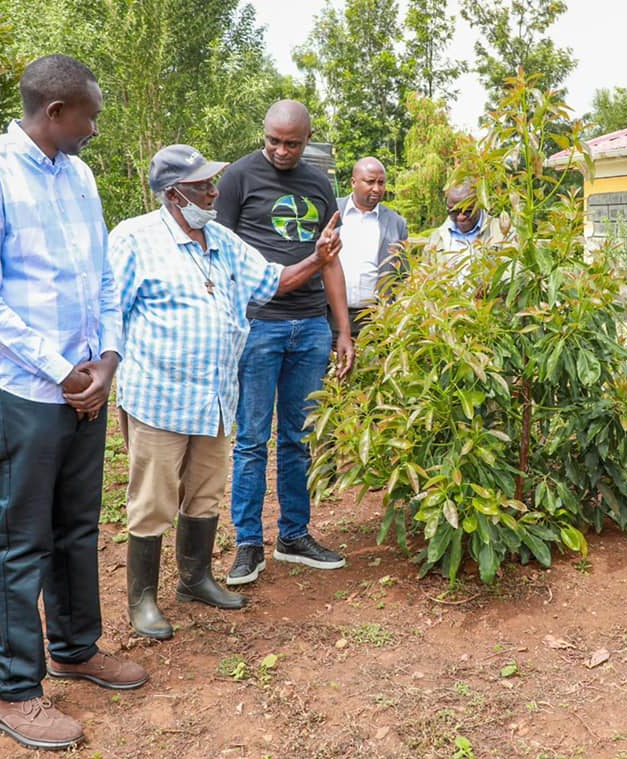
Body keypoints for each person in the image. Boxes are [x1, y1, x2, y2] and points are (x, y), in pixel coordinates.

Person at [0, 54, 147, 751]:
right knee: (24, 537)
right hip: (25, 389)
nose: (95, 128)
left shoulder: (80, 177)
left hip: (86, 384)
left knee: (78, 525)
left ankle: (75, 646)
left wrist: (105, 363)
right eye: (90, 116)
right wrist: (61, 372)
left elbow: (104, 280)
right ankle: (14, 691)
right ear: (56, 113)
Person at [109, 144, 342, 639]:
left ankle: (195, 578)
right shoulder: (134, 238)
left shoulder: (222, 240)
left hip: (214, 399)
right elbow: (109, 313)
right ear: (173, 194)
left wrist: (316, 260)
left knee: (205, 495)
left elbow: (272, 281)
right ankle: (143, 598)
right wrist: (103, 374)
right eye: (202, 186)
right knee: (152, 501)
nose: (214, 191)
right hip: (159, 398)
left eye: (212, 183)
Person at [215, 100, 355, 586]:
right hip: (257, 326)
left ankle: (294, 535)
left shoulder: (320, 185)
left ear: (307, 139)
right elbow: (218, 253)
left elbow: (330, 260)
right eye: (272, 140)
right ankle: (248, 544)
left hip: (310, 327)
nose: (279, 150)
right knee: (252, 439)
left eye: (291, 143)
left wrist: (342, 329)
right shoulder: (237, 177)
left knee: (298, 438)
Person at [332, 156, 408, 340]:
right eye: (370, 182)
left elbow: (403, 274)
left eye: (381, 183)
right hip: (329, 317)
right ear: (353, 182)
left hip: (375, 321)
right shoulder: (331, 211)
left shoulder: (396, 223)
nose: (377, 188)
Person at [424, 180, 506, 275]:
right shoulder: (436, 238)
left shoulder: (501, 231)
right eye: (454, 212)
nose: (461, 217)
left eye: (468, 211)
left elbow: (514, 271)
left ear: (479, 204)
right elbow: (425, 276)